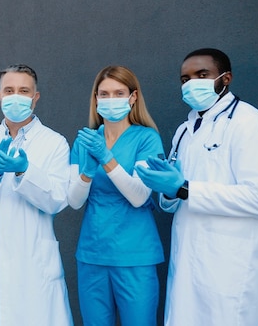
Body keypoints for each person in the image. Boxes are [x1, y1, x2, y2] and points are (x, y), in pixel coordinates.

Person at [136, 48, 258, 325]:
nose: (191, 83)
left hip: (230, 262)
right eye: (185, 78)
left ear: (225, 78)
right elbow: (175, 198)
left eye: (202, 75)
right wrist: (169, 191)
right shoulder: (185, 130)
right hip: (187, 259)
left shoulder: (250, 123)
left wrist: (184, 188)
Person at [0, 64, 73, 325]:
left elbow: (57, 198)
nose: (15, 96)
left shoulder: (54, 142)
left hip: (33, 264)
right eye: (9, 90)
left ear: (36, 97)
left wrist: (24, 172)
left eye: (23, 90)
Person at [68, 66, 164, 325]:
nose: (111, 100)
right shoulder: (86, 140)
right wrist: (87, 173)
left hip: (134, 254)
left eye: (119, 93)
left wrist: (106, 159)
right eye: (105, 94)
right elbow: (74, 201)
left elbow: (139, 196)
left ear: (133, 97)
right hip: (92, 254)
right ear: (96, 99)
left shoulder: (147, 138)